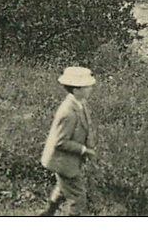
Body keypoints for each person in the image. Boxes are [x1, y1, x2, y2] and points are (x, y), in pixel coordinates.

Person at [40, 66, 97, 216]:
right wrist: (84, 150)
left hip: (68, 160)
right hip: (62, 161)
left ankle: (47, 214)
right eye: (87, 86)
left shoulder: (80, 103)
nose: (91, 88)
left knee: (63, 187)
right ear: (76, 90)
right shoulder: (68, 113)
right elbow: (60, 142)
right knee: (78, 198)